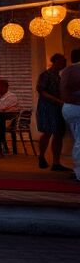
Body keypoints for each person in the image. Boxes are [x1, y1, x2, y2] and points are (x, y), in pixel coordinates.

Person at [36, 53, 70, 172]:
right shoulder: (45, 75)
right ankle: (41, 156)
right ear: (55, 61)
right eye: (63, 61)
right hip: (48, 107)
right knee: (47, 132)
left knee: (58, 133)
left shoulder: (58, 76)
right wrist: (58, 101)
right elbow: (42, 92)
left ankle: (56, 162)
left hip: (58, 107)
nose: (65, 64)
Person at [60, 48, 80, 181]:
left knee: (77, 137)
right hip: (77, 106)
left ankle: (77, 169)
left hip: (68, 108)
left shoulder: (65, 71)